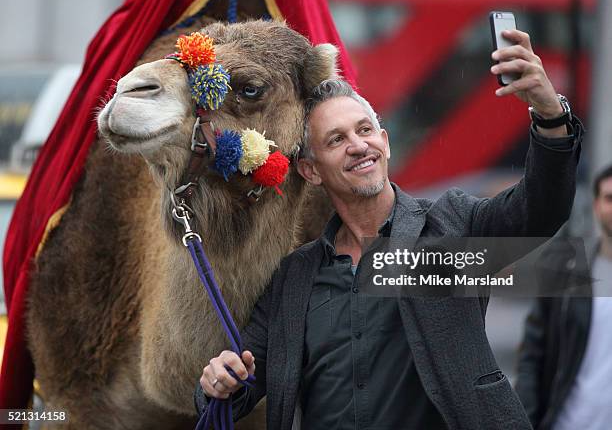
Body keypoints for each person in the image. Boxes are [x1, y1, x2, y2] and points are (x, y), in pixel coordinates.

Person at [195, 29, 583, 429]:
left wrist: (550, 115)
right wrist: (220, 380)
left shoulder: (452, 226)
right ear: (310, 171)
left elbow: (541, 209)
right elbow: (241, 379)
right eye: (336, 140)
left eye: (364, 130)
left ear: (385, 142)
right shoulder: (294, 277)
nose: (358, 145)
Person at [515, 165, 612, 430]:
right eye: (609, 198)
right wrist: (525, 419)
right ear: (595, 205)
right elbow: (533, 353)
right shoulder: (566, 269)